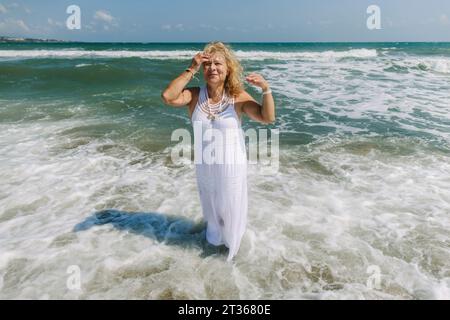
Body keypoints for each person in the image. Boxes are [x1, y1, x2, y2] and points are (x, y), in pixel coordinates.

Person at [161, 41, 275, 261]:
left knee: (230, 214)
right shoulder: (194, 95)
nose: (212, 68)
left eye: (218, 63)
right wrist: (191, 68)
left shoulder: (238, 97)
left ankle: (235, 259)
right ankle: (212, 259)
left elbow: (267, 117)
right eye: (208, 64)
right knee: (212, 213)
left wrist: (266, 89)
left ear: (228, 68)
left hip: (231, 167)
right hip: (205, 167)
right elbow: (168, 96)